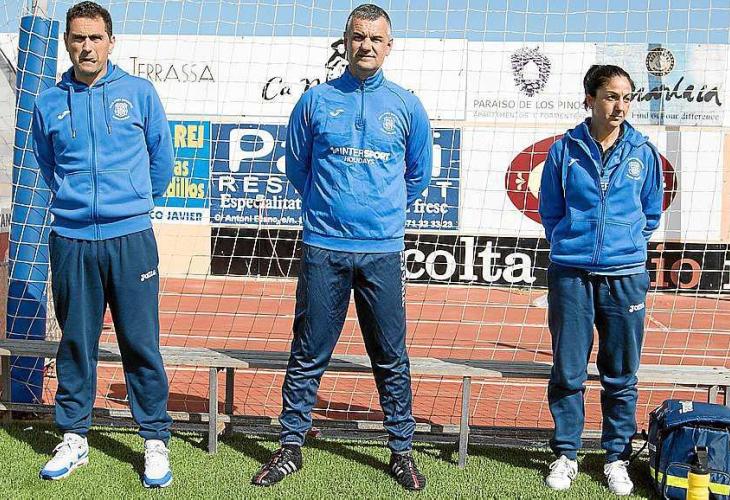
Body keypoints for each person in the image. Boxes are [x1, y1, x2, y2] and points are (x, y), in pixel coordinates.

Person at [250, 4, 432, 491]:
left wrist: (380, 214)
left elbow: (418, 176)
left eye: (375, 38)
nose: (366, 45)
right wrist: (329, 209)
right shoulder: (315, 101)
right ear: (345, 41)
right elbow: (298, 168)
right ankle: (290, 445)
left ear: (389, 46)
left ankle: (401, 450)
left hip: (381, 252)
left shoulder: (407, 106)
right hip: (323, 248)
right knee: (308, 352)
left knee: (390, 356)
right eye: (358, 36)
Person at [31, 1, 174, 488]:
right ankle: (74, 437)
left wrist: (131, 204)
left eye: (95, 37)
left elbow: (161, 160)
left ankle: (154, 438)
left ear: (111, 42)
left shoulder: (139, 93)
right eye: (78, 38)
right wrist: (76, 204)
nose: (87, 46)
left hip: (130, 238)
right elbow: (48, 164)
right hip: (71, 239)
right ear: (67, 43)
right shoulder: (49, 102)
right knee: (76, 342)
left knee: (140, 341)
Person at [539, 64, 664, 496]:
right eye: (611, 96)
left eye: (627, 97)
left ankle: (616, 457)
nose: (620, 106)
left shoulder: (643, 152)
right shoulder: (564, 150)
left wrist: (624, 248)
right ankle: (566, 454)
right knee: (568, 371)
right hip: (571, 274)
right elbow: (550, 210)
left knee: (621, 374)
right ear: (590, 99)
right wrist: (570, 244)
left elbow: (651, 213)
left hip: (625, 277)